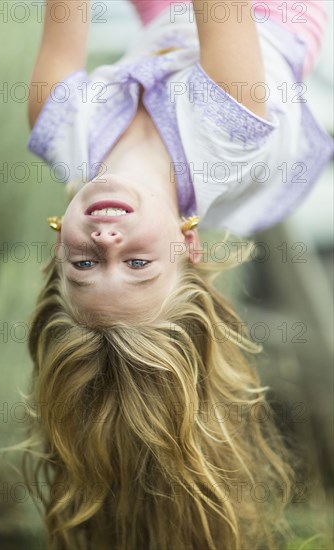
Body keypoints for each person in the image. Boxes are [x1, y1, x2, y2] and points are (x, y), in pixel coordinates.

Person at [23, 1, 333, 548]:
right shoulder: (224, 130)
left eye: (84, 265)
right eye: (138, 266)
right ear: (188, 243)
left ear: (57, 245)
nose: (105, 241)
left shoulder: (59, 130)